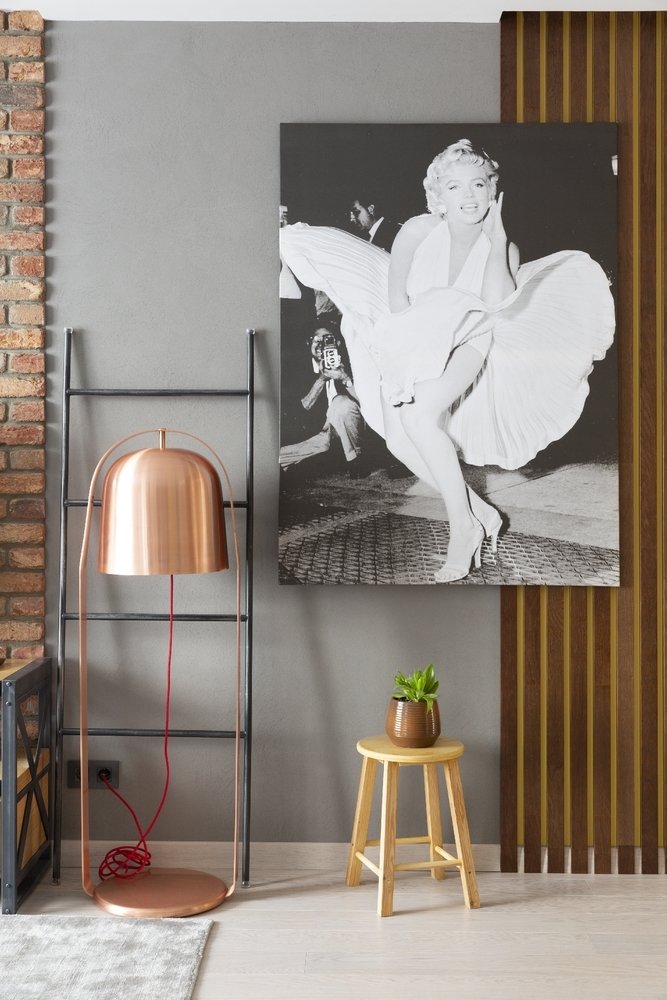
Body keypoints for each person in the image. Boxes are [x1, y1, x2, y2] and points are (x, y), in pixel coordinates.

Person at [280, 139, 615, 583]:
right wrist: (406, 360)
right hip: (410, 335)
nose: (468, 195)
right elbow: (396, 300)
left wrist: (497, 239)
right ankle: (480, 513)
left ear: (493, 190)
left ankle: (464, 530)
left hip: (472, 340)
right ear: (437, 194)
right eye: (455, 186)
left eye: (479, 184)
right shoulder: (417, 231)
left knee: (420, 419)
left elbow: (498, 303)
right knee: (400, 440)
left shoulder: (504, 246)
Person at [279, 328, 367, 475]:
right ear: (308, 344)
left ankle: (355, 460)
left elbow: (367, 403)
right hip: (318, 433)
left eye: (328, 340)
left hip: (350, 429)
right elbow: (299, 411)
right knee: (273, 456)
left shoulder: (351, 363)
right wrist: (321, 380)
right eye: (316, 340)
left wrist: (345, 378)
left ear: (338, 343)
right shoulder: (297, 369)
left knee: (341, 404)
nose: (321, 344)